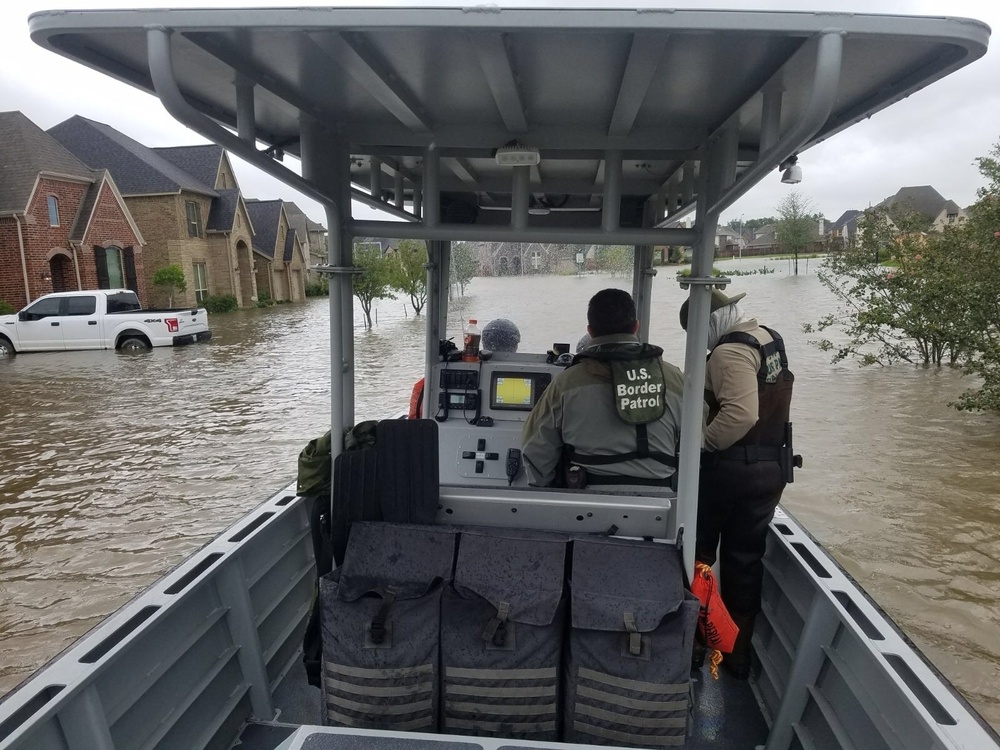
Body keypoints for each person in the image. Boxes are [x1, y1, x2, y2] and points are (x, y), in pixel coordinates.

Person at [679, 288, 795, 679]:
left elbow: (742, 415)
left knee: (695, 559)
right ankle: (738, 658)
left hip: (728, 470)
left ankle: (693, 650)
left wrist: (702, 445)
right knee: (745, 562)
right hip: (769, 470)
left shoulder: (728, 352)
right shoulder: (768, 339)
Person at [522, 289, 686, 489]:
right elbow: (698, 441)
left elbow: (536, 448)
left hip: (587, 502)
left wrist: (545, 491)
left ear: (590, 331)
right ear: (636, 326)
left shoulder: (565, 384)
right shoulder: (674, 378)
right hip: (663, 500)